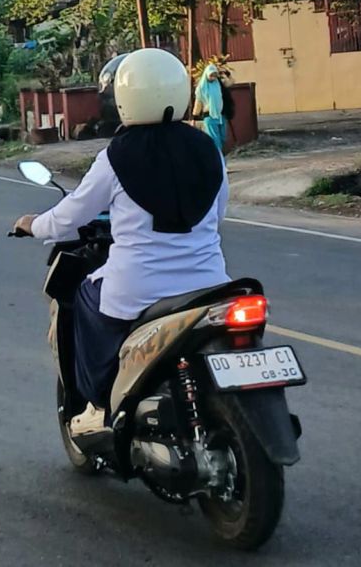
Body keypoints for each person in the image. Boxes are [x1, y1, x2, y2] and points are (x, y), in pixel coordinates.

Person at [14, 48, 230, 436]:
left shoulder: (116, 156)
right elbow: (219, 214)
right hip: (208, 286)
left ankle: (99, 403)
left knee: (83, 297)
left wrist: (32, 224)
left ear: (122, 98)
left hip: (138, 290)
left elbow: (69, 217)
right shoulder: (208, 150)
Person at [194, 63, 230, 153]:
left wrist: (227, 75)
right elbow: (198, 103)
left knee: (223, 138)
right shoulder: (202, 88)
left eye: (215, 75)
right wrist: (194, 117)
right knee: (216, 141)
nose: (213, 78)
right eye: (211, 75)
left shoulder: (218, 84)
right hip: (209, 116)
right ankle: (218, 159)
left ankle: (219, 158)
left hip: (220, 116)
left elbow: (230, 82)